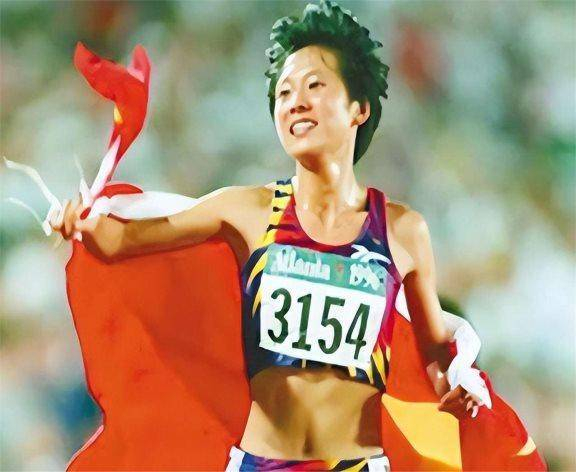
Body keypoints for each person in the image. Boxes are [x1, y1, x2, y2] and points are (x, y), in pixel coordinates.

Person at [49, 1, 545, 470]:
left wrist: (453, 384)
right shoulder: (245, 211)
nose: (295, 103)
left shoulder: (402, 231)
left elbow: (433, 353)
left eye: (314, 86)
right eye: (284, 93)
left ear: (359, 108)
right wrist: (82, 223)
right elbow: (121, 244)